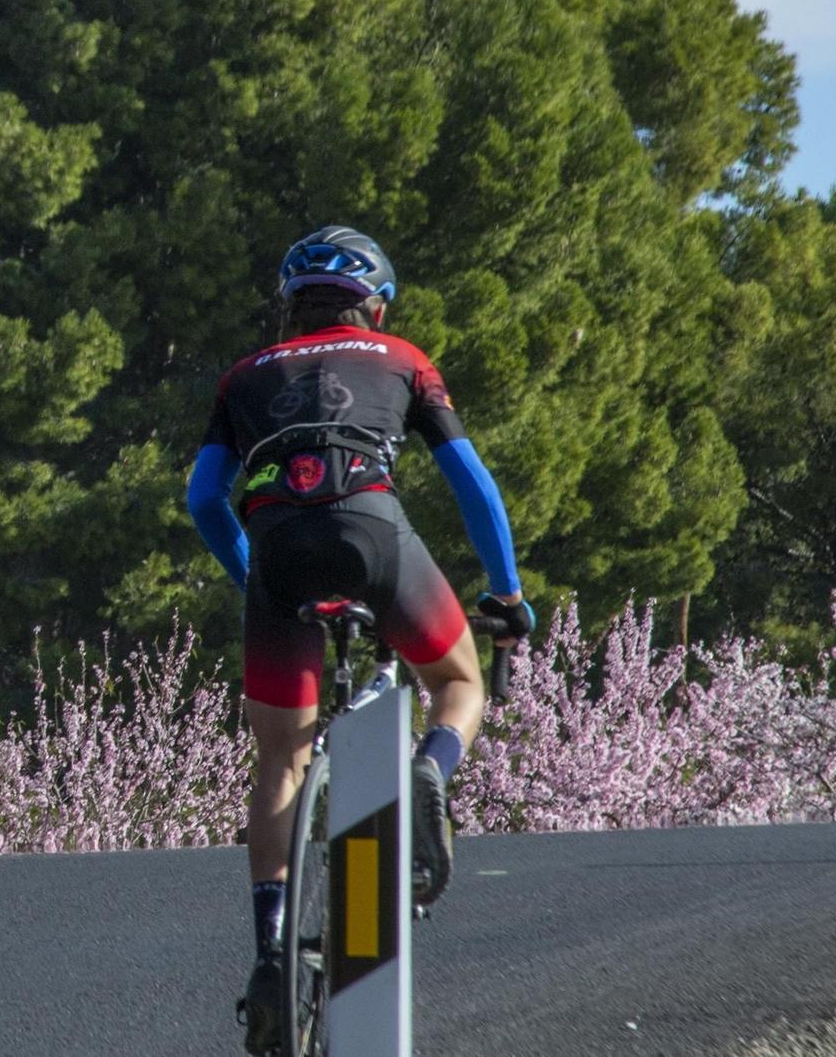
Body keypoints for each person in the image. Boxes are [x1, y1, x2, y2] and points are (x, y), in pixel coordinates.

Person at [184, 226, 534, 1055]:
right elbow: (473, 483)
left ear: (289, 304)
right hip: (372, 529)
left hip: (276, 551)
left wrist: (254, 583)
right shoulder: (401, 356)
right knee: (459, 680)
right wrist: (506, 592)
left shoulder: (242, 376)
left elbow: (204, 499)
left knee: (281, 758)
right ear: (373, 302)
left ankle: (271, 952)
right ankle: (427, 769)